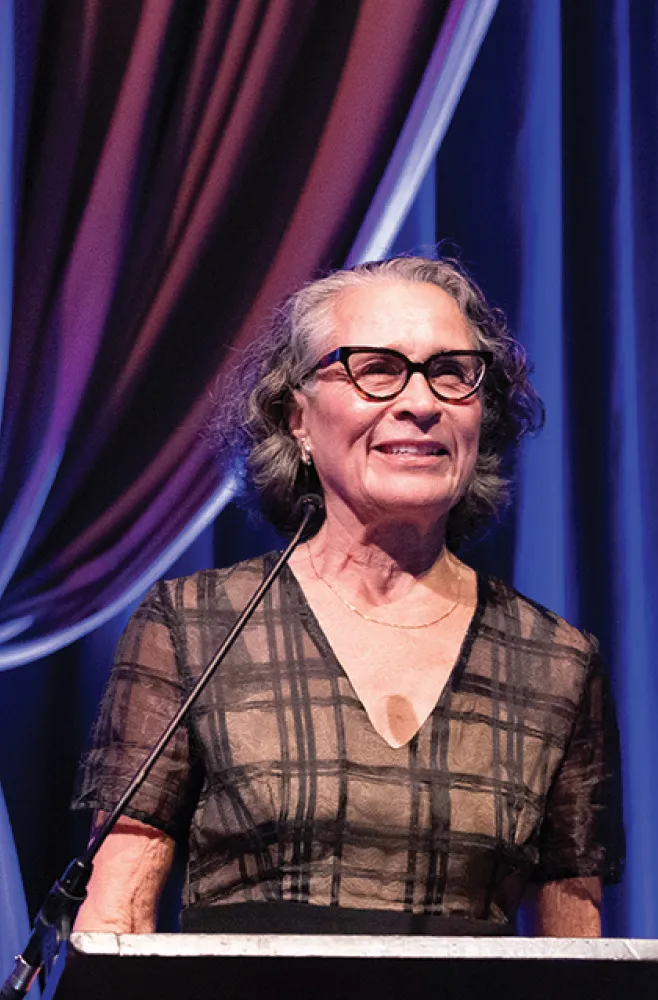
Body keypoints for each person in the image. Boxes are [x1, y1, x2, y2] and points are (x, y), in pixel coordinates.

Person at [72, 256, 624, 937]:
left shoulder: (557, 661)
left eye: (453, 372)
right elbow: (116, 915)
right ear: (296, 415)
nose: (421, 403)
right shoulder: (194, 626)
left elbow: (576, 951)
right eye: (377, 368)